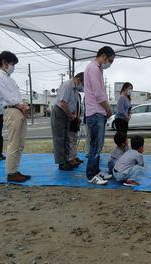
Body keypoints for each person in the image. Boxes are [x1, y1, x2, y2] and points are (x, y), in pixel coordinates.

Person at [0, 51, 31, 183]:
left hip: (18, 109)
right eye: (12, 63)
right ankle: (11, 172)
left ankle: (15, 169)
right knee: (13, 143)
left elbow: (17, 96)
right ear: (4, 62)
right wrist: (21, 105)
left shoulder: (10, 79)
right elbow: (8, 97)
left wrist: (23, 106)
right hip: (11, 110)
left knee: (20, 143)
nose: (13, 66)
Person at [84, 46, 115, 185]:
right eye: (110, 60)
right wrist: (108, 109)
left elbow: (100, 93)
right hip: (96, 112)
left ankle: (95, 171)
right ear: (103, 56)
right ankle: (91, 175)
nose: (109, 64)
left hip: (98, 112)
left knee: (98, 145)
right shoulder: (93, 69)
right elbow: (99, 94)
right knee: (95, 145)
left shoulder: (97, 69)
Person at [51, 72, 84, 171]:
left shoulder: (74, 88)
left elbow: (71, 104)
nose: (83, 87)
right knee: (59, 139)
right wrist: (71, 115)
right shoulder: (67, 85)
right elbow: (63, 103)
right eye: (83, 84)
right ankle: (61, 163)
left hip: (67, 113)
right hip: (60, 112)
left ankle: (67, 160)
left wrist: (73, 115)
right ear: (79, 80)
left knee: (66, 138)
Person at [68, 86, 84, 166]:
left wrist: (79, 117)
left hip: (76, 119)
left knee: (75, 139)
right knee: (70, 140)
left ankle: (74, 156)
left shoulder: (79, 95)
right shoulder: (71, 93)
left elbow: (78, 107)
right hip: (71, 119)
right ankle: (70, 158)